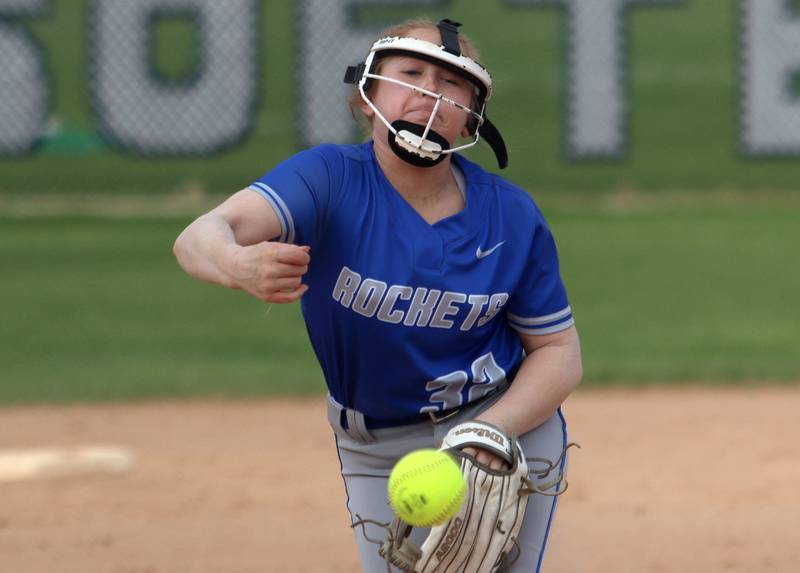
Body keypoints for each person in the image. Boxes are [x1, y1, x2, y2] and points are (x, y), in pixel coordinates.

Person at [173, 18, 582, 573]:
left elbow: (558, 353)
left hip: (501, 425)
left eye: (452, 84)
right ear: (367, 94)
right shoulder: (328, 179)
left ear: (473, 114)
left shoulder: (510, 215)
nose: (429, 95)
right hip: (378, 447)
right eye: (410, 74)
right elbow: (199, 236)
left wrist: (491, 429)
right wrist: (237, 261)